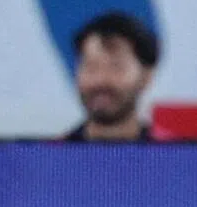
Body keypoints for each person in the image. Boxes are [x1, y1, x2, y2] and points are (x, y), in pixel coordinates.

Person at [63, 12, 164, 142]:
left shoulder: (171, 156)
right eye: (91, 67)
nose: (100, 80)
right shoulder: (49, 157)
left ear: (146, 77)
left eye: (116, 67)